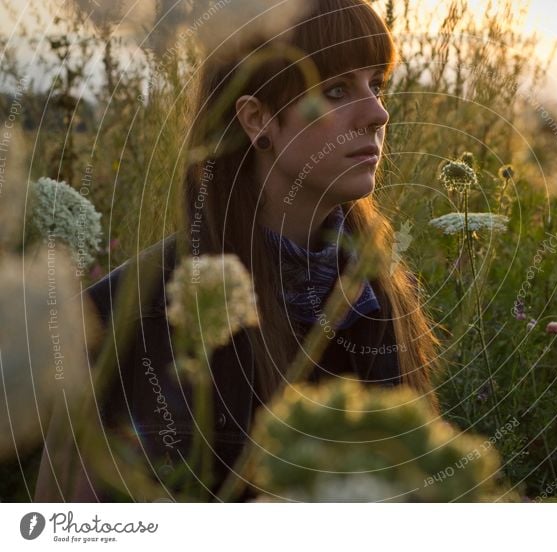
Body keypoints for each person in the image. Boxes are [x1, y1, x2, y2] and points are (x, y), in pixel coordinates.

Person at [35, 0, 441, 502]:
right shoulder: (125, 315)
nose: (378, 113)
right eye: (336, 90)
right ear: (257, 119)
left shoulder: (377, 292)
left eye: (375, 85)